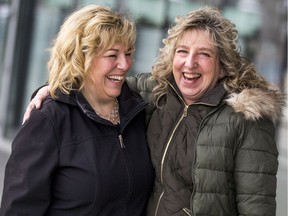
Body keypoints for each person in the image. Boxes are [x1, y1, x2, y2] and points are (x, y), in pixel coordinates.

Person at [21, 6, 285, 216]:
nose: (190, 63)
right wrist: (52, 90)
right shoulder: (153, 92)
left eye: (204, 54)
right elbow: (96, 80)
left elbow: (257, 206)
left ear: (223, 65)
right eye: (182, 51)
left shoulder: (246, 119)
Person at [0, 5, 154, 216]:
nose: (125, 64)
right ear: (82, 59)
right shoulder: (49, 120)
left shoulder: (137, 113)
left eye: (128, 53)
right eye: (112, 55)